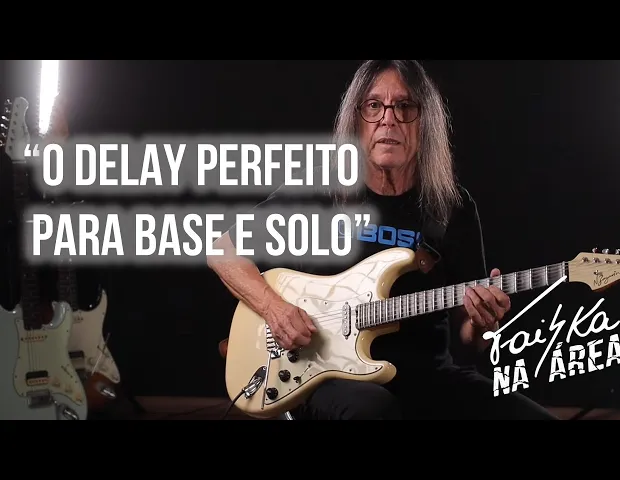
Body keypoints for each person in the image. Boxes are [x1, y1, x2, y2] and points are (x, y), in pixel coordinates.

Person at [208, 60, 557, 420]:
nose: (388, 119)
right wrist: (275, 311)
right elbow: (222, 250)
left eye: (405, 106)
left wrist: (482, 325)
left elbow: (468, 340)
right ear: (356, 119)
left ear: (425, 122)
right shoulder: (317, 190)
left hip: (429, 375)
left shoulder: (451, 207)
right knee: (375, 411)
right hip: (323, 375)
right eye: (374, 105)